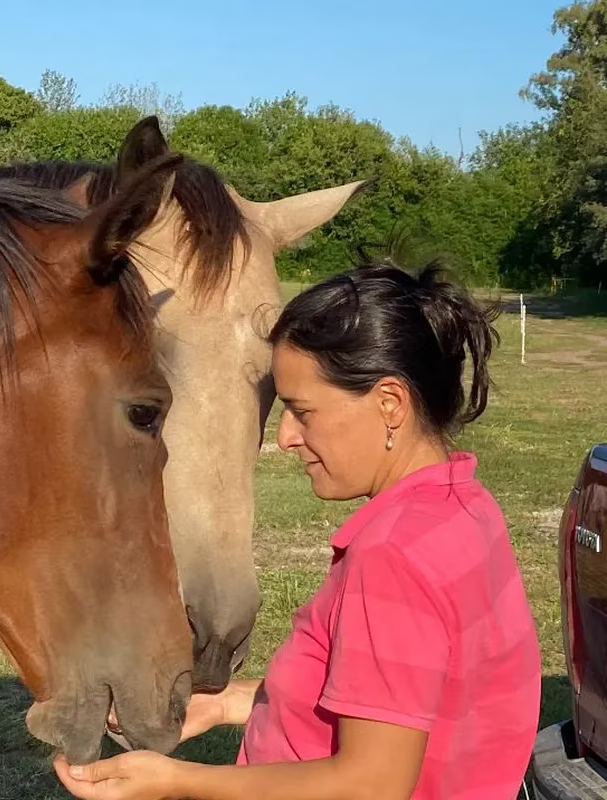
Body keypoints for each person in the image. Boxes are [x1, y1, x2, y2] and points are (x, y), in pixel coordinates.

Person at [54, 259, 542, 800]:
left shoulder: (392, 557)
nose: (285, 437)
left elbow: (371, 785)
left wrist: (180, 782)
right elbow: (400, 700)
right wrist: (226, 703)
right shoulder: (463, 507)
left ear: (389, 404)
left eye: (301, 411)